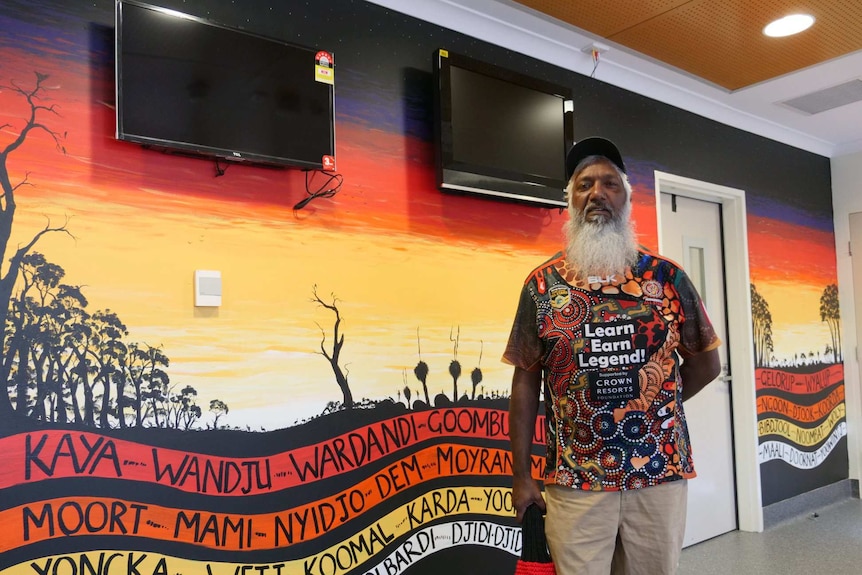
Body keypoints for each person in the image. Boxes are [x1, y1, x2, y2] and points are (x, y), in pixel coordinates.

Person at [504, 137, 721, 575]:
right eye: (584, 185)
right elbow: (525, 381)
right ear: (570, 200)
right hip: (575, 482)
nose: (596, 193)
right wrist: (521, 475)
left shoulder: (667, 278)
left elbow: (706, 363)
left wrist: (653, 401)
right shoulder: (542, 287)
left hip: (658, 474)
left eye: (609, 183)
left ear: (626, 198)